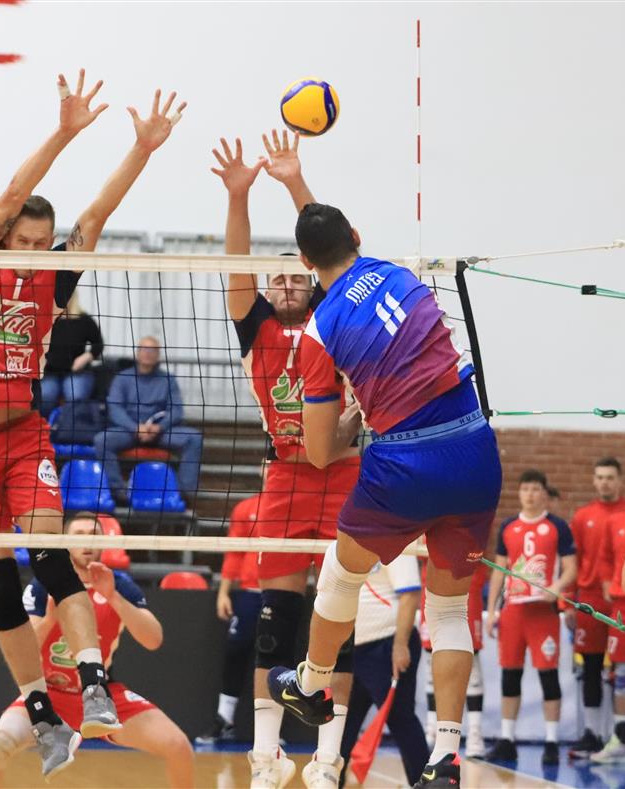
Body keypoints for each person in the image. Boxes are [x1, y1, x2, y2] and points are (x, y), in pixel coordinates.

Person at [0, 69, 185, 777]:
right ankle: (41, 711)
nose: (35, 248)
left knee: (50, 558)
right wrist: (65, 131)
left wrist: (142, 149)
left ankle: (95, 683)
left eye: (43, 240)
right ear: (4, 237)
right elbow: (12, 191)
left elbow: (96, 217)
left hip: (22, 434)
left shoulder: (53, 278)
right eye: (25, 238)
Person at [264, 201, 503, 789]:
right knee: (449, 611)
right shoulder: (400, 272)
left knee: (340, 573)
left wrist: (353, 415)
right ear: (356, 235)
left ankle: (312, 684)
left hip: (405, 463)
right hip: (475, 448)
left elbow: (321, 453)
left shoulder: (319, 330)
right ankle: (446, 756)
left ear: (304, 261)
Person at [211, 132, 358, 788]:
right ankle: (265, 757)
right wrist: (239, 195)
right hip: (285, 477)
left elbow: (333, 249)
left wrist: (296, 182)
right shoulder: (256, 325)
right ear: (270, 289)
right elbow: (236, 264)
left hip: (344, 472)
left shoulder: (333, 317)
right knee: (275, 623)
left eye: (299, 277)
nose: (290, 285)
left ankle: (326, 761)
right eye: (281, 280)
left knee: (338, 618)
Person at [0, 513, 193, 788]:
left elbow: (153, 639)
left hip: (100, 695)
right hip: (48, 694)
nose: (87, 543)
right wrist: (50, 619)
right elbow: (23, 646)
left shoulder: (119, 584)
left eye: (94, 535)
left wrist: (113, 596)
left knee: (178, 746)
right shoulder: (43, 585)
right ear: (65, 542)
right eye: (80, 535)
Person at [484, 469, 577, 766]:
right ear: (520, 493)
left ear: (544, 493)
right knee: (510, 675)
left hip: (543, 614)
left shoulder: (557, 526)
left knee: (548, 675)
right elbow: (499, 570)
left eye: (535, 489)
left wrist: (556, 589)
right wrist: (492, 610)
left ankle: (551, 741)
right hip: (513, 612)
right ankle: (506, 739)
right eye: (525, 489)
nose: (530, 494)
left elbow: (572, 568)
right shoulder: (509, 526)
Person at [338, 554, 429, 787]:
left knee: (401, 720)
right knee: (340, 724)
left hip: (387, 644)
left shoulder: (398, 543)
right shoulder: (351, 542)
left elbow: (410, 595)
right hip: (353, 649)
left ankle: (425, 784)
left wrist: (400, 645)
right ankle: (332, 782)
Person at [567, 456, 625, 758]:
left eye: (610, 477)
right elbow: (573, 561)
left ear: (619, 481)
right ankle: (592, 733)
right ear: (594, 481)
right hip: (590, 600)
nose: (605, 482)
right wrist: (567, 601)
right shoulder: (583, 516)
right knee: (591, 665)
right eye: (600, 477)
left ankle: (621, 737)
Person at [95, 336, 202, 505]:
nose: (148, 353)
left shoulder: (168, 380)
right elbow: (114, 409)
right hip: (129, 431)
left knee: (194, 438)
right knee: (102, 440)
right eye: (144, 349)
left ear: (158, 355)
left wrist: (159, 427)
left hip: (160, 432)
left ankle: (184, 494)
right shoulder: (122, 378)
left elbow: (176, 410)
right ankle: (118, 492)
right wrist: (135, 427)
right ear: (137, 353)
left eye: (153, 350)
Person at [590, 463, 625, 763]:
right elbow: (605, 559)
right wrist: (608, 586)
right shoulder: (621, 521)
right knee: (623, 673)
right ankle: (621, 741)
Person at [198, 489, 262, 746]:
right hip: (249, 592)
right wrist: (223, 592)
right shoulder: (246, 508)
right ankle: (224, 719)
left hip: (283, 593)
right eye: (266, 468)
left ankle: (269, 729)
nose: (270, 471)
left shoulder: (296, 505)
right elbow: (234, 552)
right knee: (236, 652)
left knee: (276, 659)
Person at [420, 565, 488, 759]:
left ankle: (475, 733)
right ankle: (432, 730)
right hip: (432, 587)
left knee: (472, 665)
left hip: (466, 590)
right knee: (431, 662)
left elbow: (489, 553)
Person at [40, 293, 104, 416]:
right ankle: (46, 425)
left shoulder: (84, 320)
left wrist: (85, 357)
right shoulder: (46, 319)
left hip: (76, 372)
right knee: (45, 396)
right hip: (49, 373)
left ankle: (66, 426)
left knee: (75, 396)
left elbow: (98, 345)